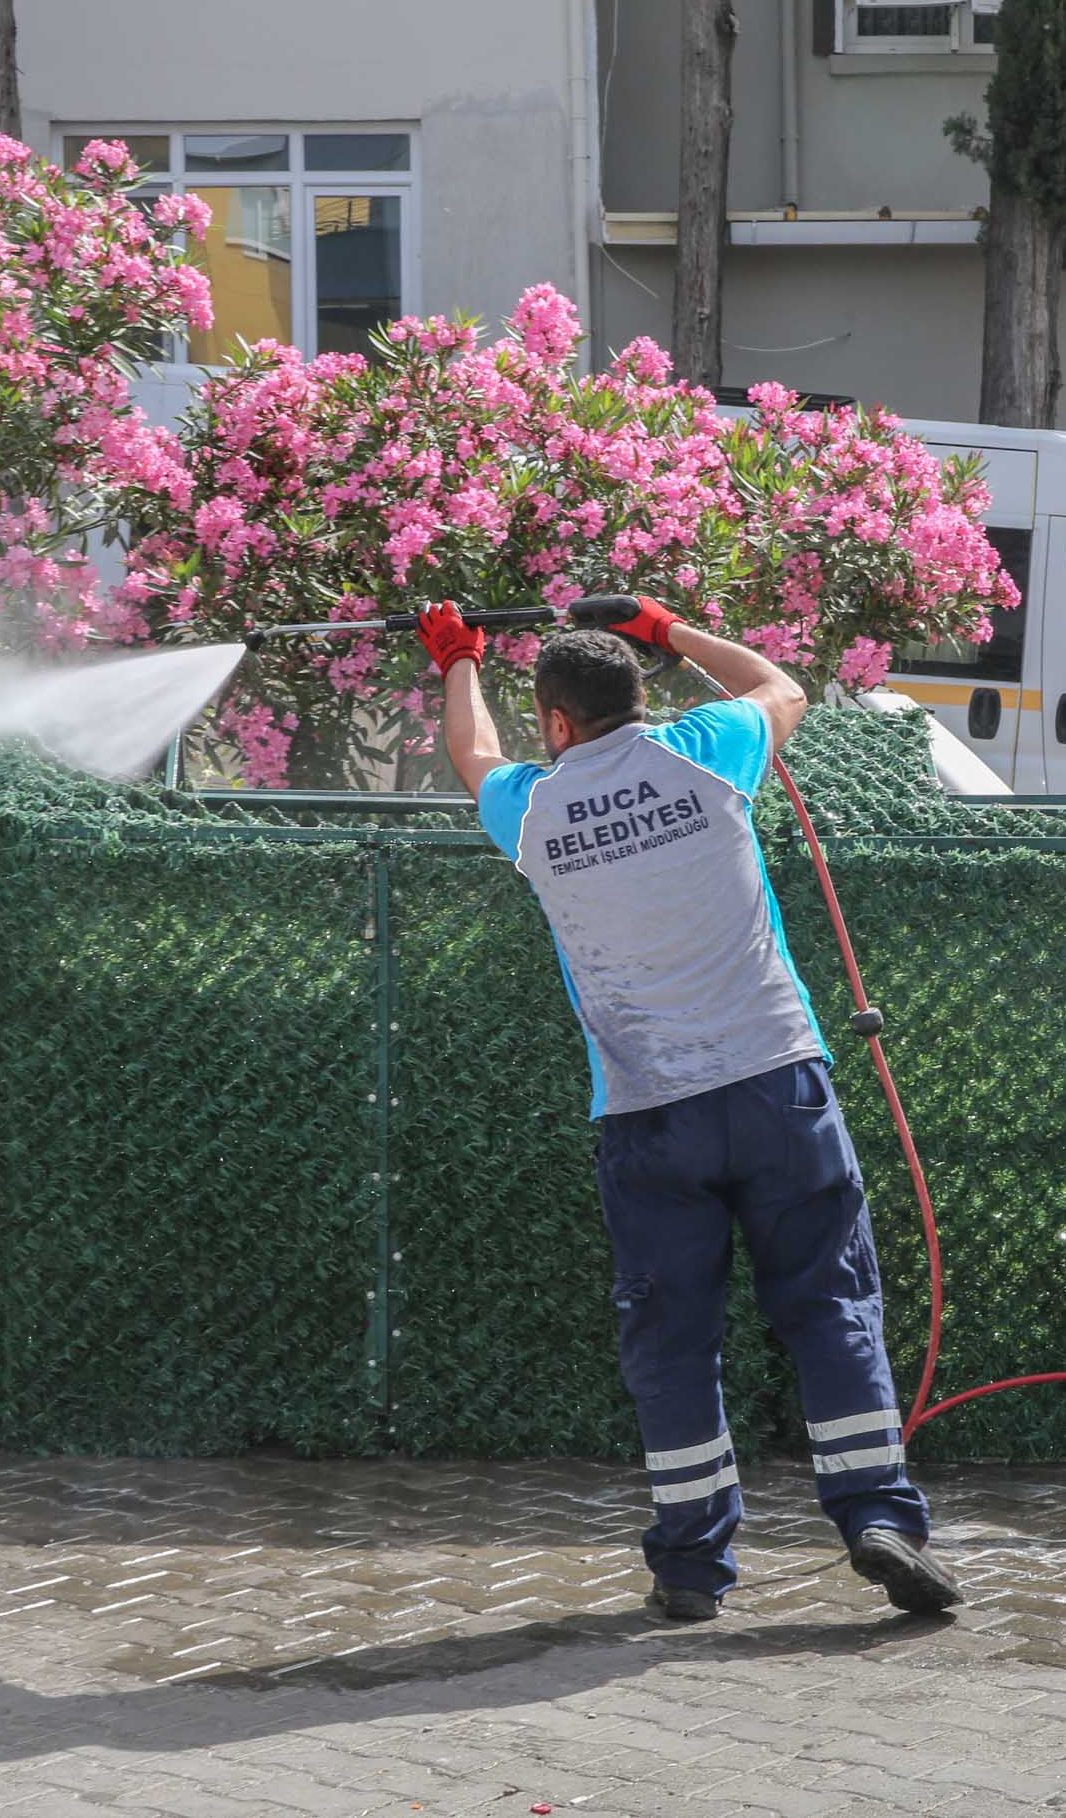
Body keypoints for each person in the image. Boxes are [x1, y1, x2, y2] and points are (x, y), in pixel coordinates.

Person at [415, 595, 960, 1623]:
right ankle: (878, 1518)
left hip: (647, 1115)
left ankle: (691, 1568)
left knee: (672, 1341)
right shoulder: (708, 751)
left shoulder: (534, 805)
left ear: (560, 724)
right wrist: (667, 628)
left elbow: (469, 751)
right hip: (777, 1088)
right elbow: (781, 686)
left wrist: (458, 658)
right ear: (636, 699)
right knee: (830, 1309)